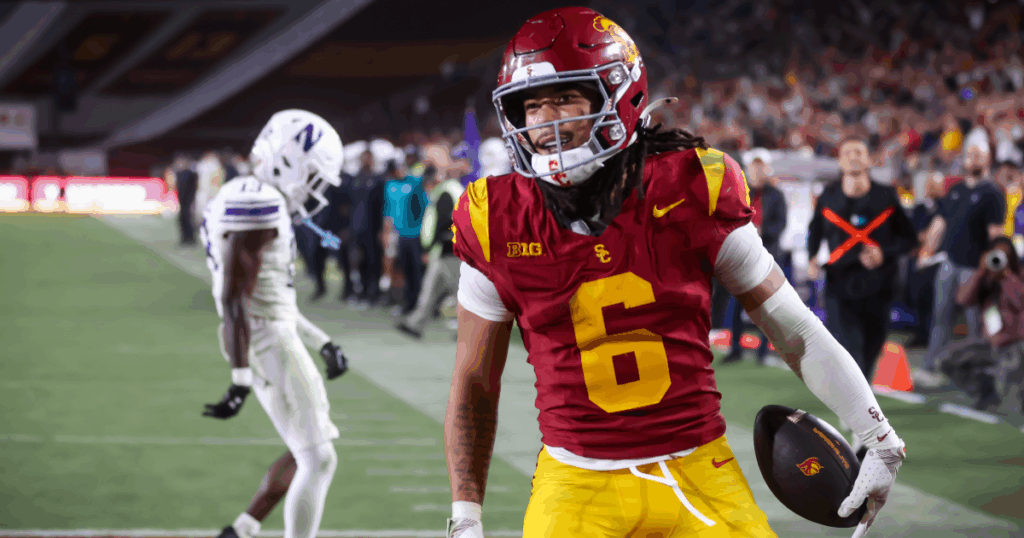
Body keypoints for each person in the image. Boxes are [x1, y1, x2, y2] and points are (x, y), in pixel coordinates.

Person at [444, 8, 906, 538]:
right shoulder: (494, 217)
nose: (546, 122)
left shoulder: (692, 186)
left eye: (566, 99)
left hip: (698, 467)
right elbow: (475, 379)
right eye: (531, 105)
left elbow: (794, 329)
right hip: (575, 481)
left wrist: (878, 435)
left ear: (619, 97)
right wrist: (465, 516)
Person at [199, 109, 350, 538]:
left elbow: (272, 297)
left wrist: (322, 341)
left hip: (267, 331)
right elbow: (234, 299)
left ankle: (244, 527)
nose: (316, 192)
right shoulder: (255, 202)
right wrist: (240, 378)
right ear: (288, 162)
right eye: (314, 177)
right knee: (319, 459)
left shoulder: (254, 197)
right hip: (264, 339)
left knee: (304, 449)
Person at [806, 139, 918, 380]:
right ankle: (853, 408)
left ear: (869, 160)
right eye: (847, 152)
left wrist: (883, 251)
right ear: (840, 161)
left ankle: (862, 404)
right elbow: (814, 230)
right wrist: (811, 257)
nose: (853, 156)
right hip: (839, 283)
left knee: (869, 352)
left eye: (859, 152)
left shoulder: (886, 196)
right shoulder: (828, 196)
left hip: (880, 285)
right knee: (848, 351)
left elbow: (909, 239)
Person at [916, 138, 1007, 387]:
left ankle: (980, 375)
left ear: (987, 159)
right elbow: (940, 223)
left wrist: (992, 268)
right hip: (949, 263)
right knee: (940, 316)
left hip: (974, 268)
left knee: (975, 324)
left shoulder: (993, 193)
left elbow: (996, 233)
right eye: (970, 154)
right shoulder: (955, 190)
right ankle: (933, 367)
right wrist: (927, 250)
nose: (973, 159)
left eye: (978, 155)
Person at [722, 148, 787, 365]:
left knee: (766, 306)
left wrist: (763, 232)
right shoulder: (739, 191)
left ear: (767, 168)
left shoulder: (776, 195)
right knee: (737, 304)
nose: (757, 170)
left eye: (761, 165)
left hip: (767, 256)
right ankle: (735, 349)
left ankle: (762, 352)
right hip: (741, 256)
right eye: (754, 165)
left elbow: (780, 225)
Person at [952, 236, 1024, 412]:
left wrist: (1006, 277)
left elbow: (1019, 302)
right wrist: (981, 272)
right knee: (948, 360)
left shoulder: (1018, 278)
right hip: (988, 344)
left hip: (1014, 345)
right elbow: (962, 299)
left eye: (1003, 256)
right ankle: (985, 393)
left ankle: (1008, 394)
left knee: (1011, 404)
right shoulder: (984, 280)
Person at [396, 164, 465, 339]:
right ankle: (415, 324)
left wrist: (430, 246)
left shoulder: (445, 192)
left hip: (450, 251)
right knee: (430, 290)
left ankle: (469, 331)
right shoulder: (451, 189)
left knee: (461, 294)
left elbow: (443, 222)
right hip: (445, 251)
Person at [384, 159, 430, 315]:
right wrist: (387, 232)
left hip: (417, 235)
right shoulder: (389, 186)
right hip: (400, 235)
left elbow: (425, 208)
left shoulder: (414, 183)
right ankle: (409, 303)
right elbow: (388, 211)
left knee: (418, 271)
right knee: (406, 270)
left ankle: (421, 305)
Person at [347, 150, 386, 308]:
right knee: (359, 261)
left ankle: (374, 294)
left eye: (369, 158)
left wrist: (381, 229)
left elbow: (382, 206)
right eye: (364, 157)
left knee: (373, 262)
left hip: (373, 228)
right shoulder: (355, 179)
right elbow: (349, 204)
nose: (366, 160)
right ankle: (361, 292)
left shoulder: (378, 180)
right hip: (357, 227)